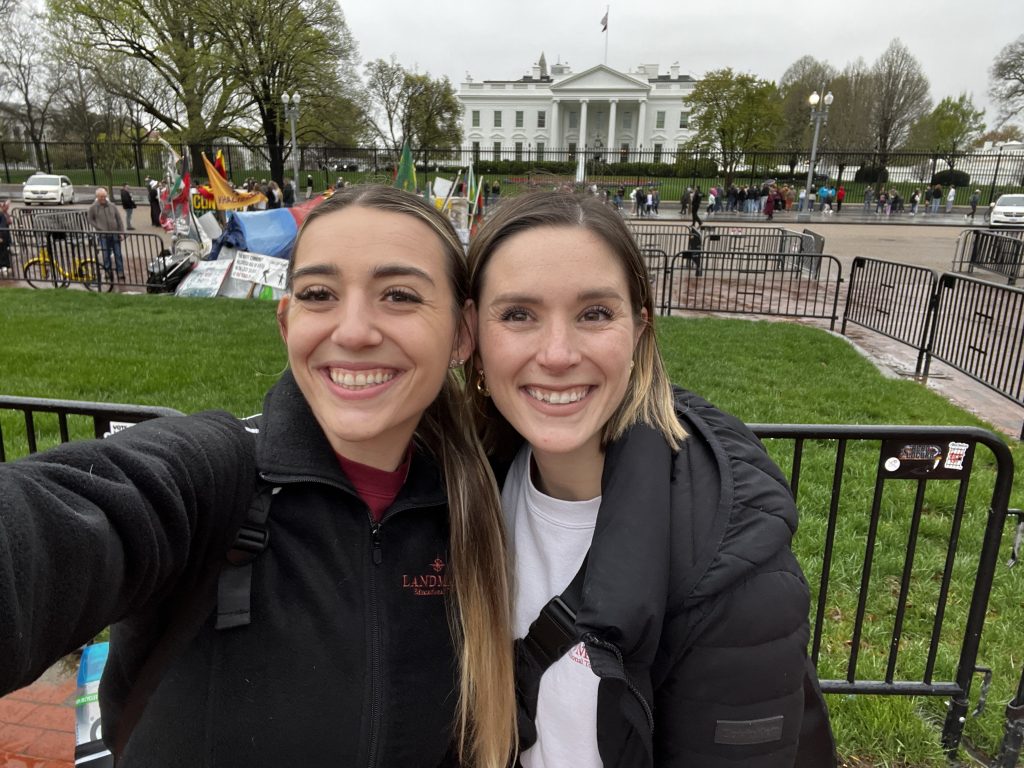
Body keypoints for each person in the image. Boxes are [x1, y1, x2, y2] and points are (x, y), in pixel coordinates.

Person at [0, 186, 516, 768]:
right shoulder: (216, 478)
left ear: (462, 333)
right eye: (319, 294)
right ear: (285, 320)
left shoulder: (481, 503)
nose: (352, 331)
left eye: (399, 295)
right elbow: (46, 528)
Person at [463, 192, 836, 767]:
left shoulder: (728, 555)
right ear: (474, 337)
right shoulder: (456, 490)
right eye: (518, 314)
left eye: (594, 313)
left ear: (639, 329)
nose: (558, 354)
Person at [87, 187, 126, 282]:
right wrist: (98, 228)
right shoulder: (93, 207)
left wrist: (121, 232)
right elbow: (90, 219)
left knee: (118, 254)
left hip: (114, 233)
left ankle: (120, 272)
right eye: (101, 197)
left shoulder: (112, 206)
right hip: (103, 235)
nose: (103, 198)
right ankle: (108, 272)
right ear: (97, 197)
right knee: (106, 254)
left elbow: (119, 219)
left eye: (104, 196)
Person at [0, 198, 11, 278]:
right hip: (3, 236)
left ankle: (5, 266)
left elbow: (5, 224)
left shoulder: (2, 214)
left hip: (3, 237)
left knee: (3, 251)